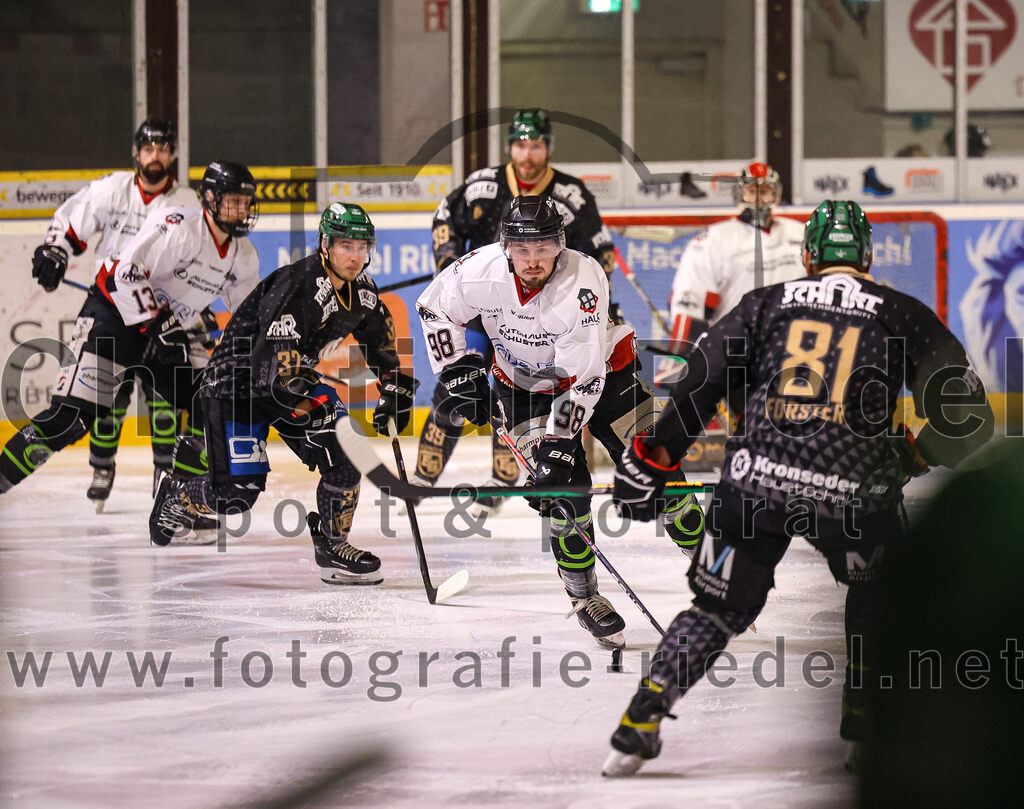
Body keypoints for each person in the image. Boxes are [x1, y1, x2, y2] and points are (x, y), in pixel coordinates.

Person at [602, 199, 994, 776]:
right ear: (865, 256)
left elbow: (700, 383)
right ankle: (864, 725)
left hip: (757, 482)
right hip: (854, 490)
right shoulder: (901, 312)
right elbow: (970, 420)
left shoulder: (764, 304)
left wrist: (653, 460)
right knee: (877, 594)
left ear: (807, 256)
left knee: (715, 608)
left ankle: (640, 720)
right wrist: (913, 455)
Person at [416, 195, 704, 648]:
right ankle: (584, 596)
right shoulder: (478, 270)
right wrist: (457, 370)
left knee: (659, 466)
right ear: (506, 245)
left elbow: (584, 378)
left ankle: (707, 563)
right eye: (523, 248)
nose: (533, 260)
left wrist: (557, 442)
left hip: (606, 374)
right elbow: (434, 308)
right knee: (564, 495)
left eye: (544, 247)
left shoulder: (583, 280)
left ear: (561, 244)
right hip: (522, 389)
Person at [149, 203, 417, 583]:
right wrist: (312, 405)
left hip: (287, 383)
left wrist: (394, 387)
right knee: (237, 495)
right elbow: (268, 368)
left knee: (346, 449)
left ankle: (333, 545)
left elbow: (381, 345)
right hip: (235, 388)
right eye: (346, 246)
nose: (356, 257)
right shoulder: (300, 286)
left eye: (362, 247)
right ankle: (176, 495)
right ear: (325, 245)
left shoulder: (363, 292)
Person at [0, 161, 261, 526]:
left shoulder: (244, 255)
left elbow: (248, 319)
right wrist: (157, 321)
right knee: (70, 419)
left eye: (247, 202)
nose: (243, 210)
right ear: (212, 200)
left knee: (212, 403)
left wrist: (264, 354)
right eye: (234, 201)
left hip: (165, 332)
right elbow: (124, 272)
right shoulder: (178, 227)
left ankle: (181, 505)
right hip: (114, 315)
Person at [416, 109, 618, 517]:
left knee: (521, 390)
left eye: (537, 145)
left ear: (548, 148)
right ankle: (421, 480)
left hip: (543, 313)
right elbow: (443, 218)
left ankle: (505, 479)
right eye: (521, 145)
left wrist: (597, 291)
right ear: (510, 146)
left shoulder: (572, 195)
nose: (528, 154)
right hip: (485, 308)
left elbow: (599, 253)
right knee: (455, 389)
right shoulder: (483, 184)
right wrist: (447, 256)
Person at [28, 119, 201, 509]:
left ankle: (166, 474)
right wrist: (56, 251)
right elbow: (70, 223)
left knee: (165, 404)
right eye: (148, 148)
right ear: (136, 153)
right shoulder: (112, 189)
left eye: (162, 148)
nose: (154, 155)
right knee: (104, 398)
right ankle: (101, 466)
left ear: (172, 154)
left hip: (161, 316)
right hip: (110, 309)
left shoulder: (186, 203)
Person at [659, 161, 805, 388]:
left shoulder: (800, 232)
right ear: (740, 194)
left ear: (775, 195)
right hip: (738, 351)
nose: (757, 198)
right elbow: (690, 301)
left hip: (796, 347)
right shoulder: (714, 240)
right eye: (751, 191)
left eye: (764, 191)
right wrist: (680, 356)